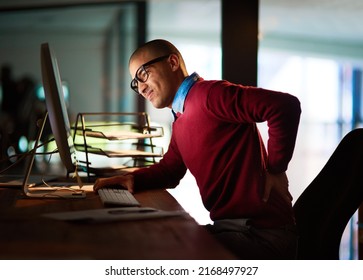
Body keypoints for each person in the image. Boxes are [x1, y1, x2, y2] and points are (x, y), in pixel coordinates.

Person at [94, 39, 301, 259]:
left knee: (160, 253)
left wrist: (276, 167)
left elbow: (284, 107)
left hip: (262, 236)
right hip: (232, 229)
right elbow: (170, 171)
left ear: (172, 62)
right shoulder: (181, 118)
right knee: (154, 242)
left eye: (143, 74)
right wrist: (130, 179)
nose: (141, 87)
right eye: (135, 83)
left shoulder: (209, 95)